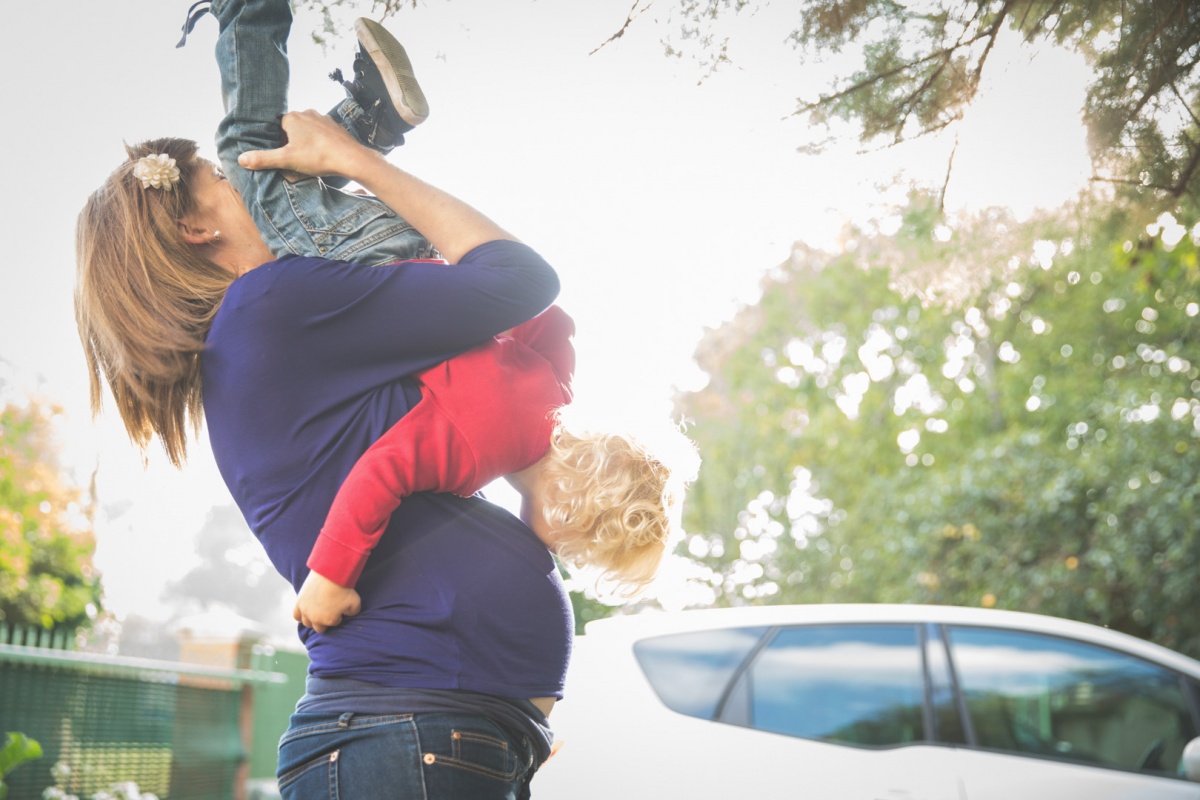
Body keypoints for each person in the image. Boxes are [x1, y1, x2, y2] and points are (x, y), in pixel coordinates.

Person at [75, 1, 571, 796]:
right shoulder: (273, 308)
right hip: (403, 729)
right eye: (215, 171)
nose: (235, 172)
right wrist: (352, 155)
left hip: (417, 728)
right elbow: (521, 279)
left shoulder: (265, 331)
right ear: (197, 228)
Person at [295, 299, 699, 634]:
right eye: (578, 549)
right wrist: (331, 578)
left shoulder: (556, 384)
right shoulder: (474, 454)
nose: (557, 553)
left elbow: (551, 319)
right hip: (348, 307)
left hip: (408, 266)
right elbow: (383, 472)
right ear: (573, 507)